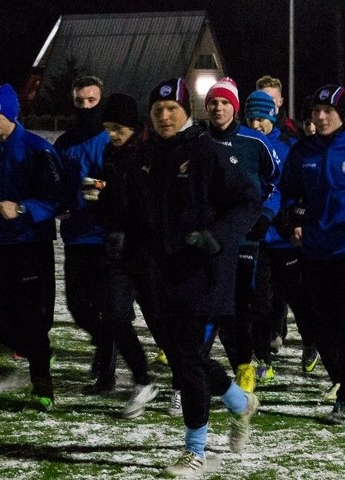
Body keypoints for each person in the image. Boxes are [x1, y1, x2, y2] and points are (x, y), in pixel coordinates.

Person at [122, 78, 261, 475]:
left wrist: (214, 237)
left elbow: (249, 202)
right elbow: (135, 211)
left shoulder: (208, 151)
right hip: (160, 276)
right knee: (189, 359)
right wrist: (122, 235)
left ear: (186, 111)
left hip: (204, 275)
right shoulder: (145, 156)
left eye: (172, 109)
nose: (164, 116)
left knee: (187, 361)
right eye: (157, 110)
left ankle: (195, 449)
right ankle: (239, 402)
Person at [0, 84, 62, 412]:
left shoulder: (37, 149)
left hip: (30, 246)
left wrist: (23, 208)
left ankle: (42, 384)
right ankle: (39, 350)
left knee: (31, 320)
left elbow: (58, 198)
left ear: (10, 114)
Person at [204, 77, 281, 394]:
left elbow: (277, 183)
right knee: (206, 305)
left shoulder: (256, 143)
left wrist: (265, 214)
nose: (219, 107)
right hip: (206, 239)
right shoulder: (198, 141)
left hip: (246, 239)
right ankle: (190, 379)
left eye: (225, 102)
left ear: (233, 108)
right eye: (213, 102)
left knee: (240, 306)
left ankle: (246, 366)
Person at [278, 84, 345, 424]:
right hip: (316, 252)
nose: (320, 118)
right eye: (316, 113)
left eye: (328, 112)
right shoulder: (303, 152)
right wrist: (291, 221)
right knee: (324, 328)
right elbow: (286, 193)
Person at [244, 91, 320, 378]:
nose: (255, 123)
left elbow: (295, 190)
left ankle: (311, 340)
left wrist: (295, 222)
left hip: (285, 237)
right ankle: (263, 358)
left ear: (272, 117)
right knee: (259, 300)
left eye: (261, 118)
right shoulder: (246, 143)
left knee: (297, 298)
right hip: (258, 237)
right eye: (251, 117)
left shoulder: (289, 146)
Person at [94, 92, 159, 417]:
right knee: (116, 317)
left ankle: (182, 386)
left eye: (117, 128)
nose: (112, 134)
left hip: (150, 252)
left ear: (133, 125)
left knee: (163, 326)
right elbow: (108, 195)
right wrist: (94, 194)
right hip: (119, 253)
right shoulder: (110, 152)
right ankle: (142, 380)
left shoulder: (152, 151)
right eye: (107, 128)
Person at [53, 76, 117, 394]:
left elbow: (124, 184)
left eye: (91, 101)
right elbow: (51, 182)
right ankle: (107, 340)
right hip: (76, 235)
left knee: (106, 305)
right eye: (80, 101)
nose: (86, 106)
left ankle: (107, 374)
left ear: (100, 100)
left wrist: (104, 189)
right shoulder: (63, 143)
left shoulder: (110, 140)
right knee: (78, 306)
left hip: (105, 236)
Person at [256, 74, 301, 141]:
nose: (265, 102)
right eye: (261, 98)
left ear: (280, 101)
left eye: (270, 98)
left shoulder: (294, 130)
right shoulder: (247, 127)